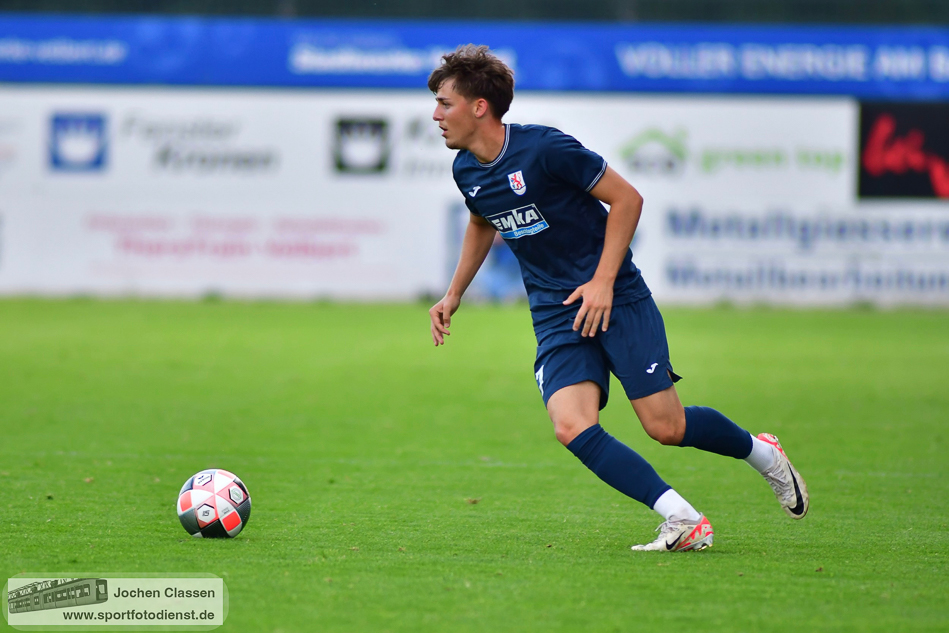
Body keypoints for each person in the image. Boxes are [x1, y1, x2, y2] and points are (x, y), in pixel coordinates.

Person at [427, 45, 808, 552]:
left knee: (666, 426)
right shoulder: (466, 170)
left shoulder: (544, 149)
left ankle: (763, 454)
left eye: (445, 103)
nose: (436, 115)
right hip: (556, 311)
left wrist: (603, 281)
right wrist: (454, 293)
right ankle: (682, 518)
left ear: (479, 107)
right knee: (571, 425)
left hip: (617, 296)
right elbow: (482, 220)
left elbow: (628, 199)